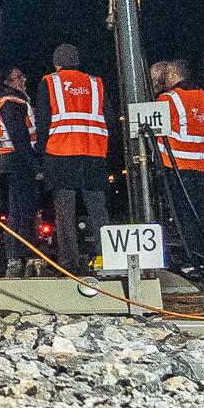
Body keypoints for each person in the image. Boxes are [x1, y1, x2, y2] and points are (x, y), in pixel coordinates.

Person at [143, 58, 204, 286]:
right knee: (199, 213)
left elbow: (153, 129)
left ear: (173, 75)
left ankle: (194, 260)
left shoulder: (168, 98)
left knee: (184, 216)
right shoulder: (202, 96)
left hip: (177, 165)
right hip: (201, 164)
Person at [40, 41, 114, 267]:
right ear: (78, 62)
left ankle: (69, 262)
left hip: (60, 154)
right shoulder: (95, 83)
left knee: (64, 213)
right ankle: (106, 257)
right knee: (98, 210)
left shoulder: (50, 82)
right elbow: (109, 117)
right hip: (93, 154)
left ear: (57, 64)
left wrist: (41, 155)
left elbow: (44, 121)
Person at [0, 64, 44, 273]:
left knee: (20, 212)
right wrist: (36, 166)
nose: (24, 79)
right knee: (22, 212)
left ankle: (19, 257)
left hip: (12, 162)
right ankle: (21, 256)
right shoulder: (12, 103)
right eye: (19, 76)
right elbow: (20, 138)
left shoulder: (11, 102)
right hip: (19, 163)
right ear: (8, 82)